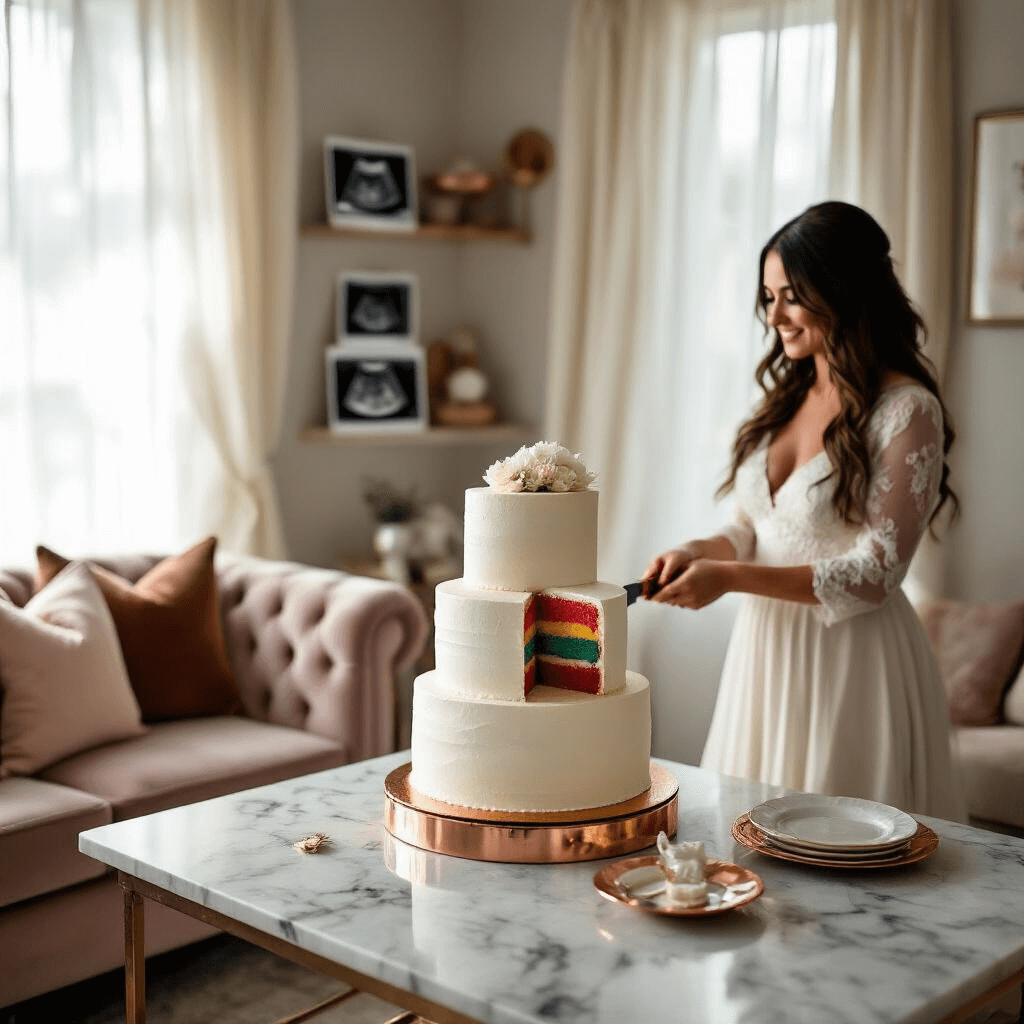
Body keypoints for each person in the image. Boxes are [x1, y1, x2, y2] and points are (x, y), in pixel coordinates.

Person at [644, 200, 966, 821]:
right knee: (750, 841)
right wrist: (698, 553)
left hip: (851, 661)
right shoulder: (787, 396)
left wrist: (731, 579)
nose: (776, 316)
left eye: (793, 295)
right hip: (763, 656)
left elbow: (877, 573)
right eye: (768, 297)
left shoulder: (907, 409)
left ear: (845, 291)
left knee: (840, 852)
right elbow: (751, 528)